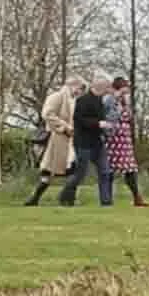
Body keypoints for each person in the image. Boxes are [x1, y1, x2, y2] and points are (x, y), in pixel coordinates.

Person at [25, 77, 83, 205]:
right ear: (73, 85)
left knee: (72, 169)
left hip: (68, 141)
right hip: (56, 139)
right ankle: (34, 198)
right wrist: (65, 127)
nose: (80, 91)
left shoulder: (73, 100)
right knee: (49, 171)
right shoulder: (57, 97)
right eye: (80, 88)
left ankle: (69, 199)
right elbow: (47, 114)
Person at [56, 76, 110, 206]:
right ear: (100, 87)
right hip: (83, 143)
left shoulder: (100, 101)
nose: (107, 90)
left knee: (105, 171)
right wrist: (98, 124)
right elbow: (80, 120)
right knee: (80, 174)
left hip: (97, 142)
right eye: (106, 87)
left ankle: (106, 202)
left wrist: (105, 131)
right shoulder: (82, 101)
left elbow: (101, 119)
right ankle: (65, 195)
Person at [102, 77, 149, 207]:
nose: (126, 93)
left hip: (125, 141)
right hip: (113, 141)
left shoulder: (125, 102)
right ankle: (107, 199)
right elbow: (106, 112)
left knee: (130, 169)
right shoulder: (109, 99)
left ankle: (137, 198)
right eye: (124, 90)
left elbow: (130, 117)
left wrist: (127, 105)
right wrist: (116, 98)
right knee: (109, 170)